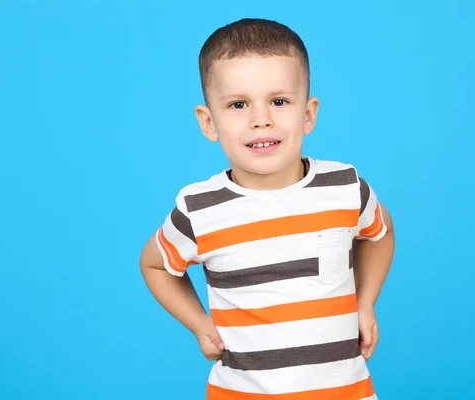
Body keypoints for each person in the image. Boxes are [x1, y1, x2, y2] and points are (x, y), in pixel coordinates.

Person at [139, 17, 395, 399]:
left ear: (308, 114)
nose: (262, 120)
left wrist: (365, 301)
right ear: (209, 123)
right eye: (239, 104)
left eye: (279, 101)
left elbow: (380, 233)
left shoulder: (344, 187)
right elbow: (155, 263)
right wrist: (199, 325)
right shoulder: (200, 209)